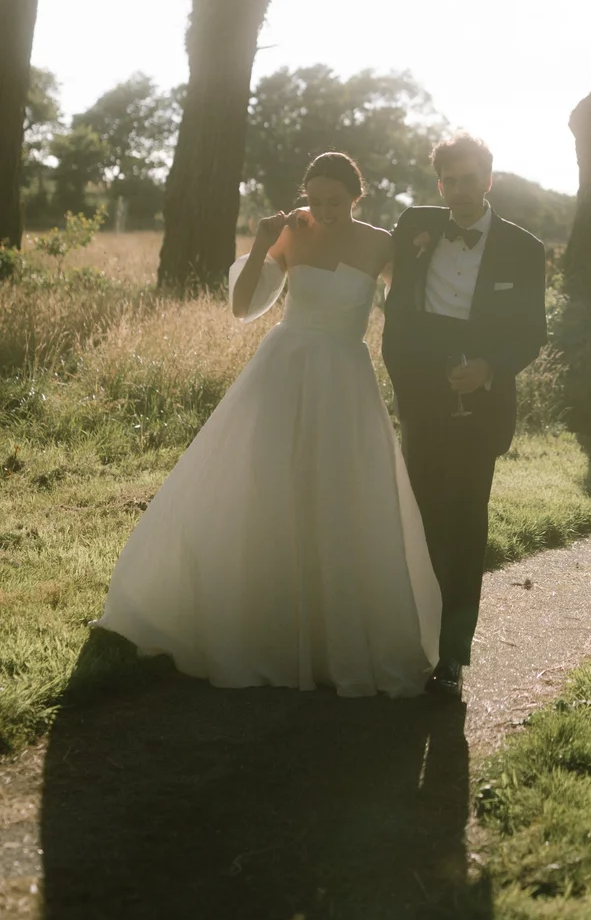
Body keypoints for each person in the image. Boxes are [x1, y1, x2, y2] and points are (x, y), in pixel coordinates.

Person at [94, 152, 441, 697]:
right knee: (269, 486)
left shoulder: (382, 244)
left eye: (335, 201)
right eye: (315, 200)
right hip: (283, 371)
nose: (323, 211)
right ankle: (260, 626)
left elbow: (414, 307)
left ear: (357, 197)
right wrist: (260, 243)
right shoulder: (291, 233)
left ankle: (334, 638)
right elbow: (242, 308)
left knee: (339, 494)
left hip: (345, 378)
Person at [382, 134, 548, 700]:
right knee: (419, 519)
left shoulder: (524, 248)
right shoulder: (415, 225)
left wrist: (489, 367)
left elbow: (533, 331)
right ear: (439, 184)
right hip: (421, 394)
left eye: (469, 179)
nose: (458, 190)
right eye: (449, 181)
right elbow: (394, 303)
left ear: (488, 180)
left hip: (482, 401)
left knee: (464, 523)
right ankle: (413, 640)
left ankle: (452, 656)